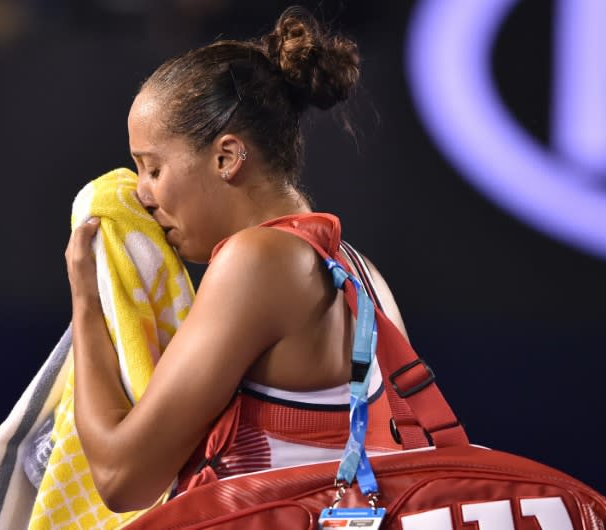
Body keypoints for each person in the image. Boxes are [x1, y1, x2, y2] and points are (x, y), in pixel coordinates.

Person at [64, 5, 409, 514]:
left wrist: (87, 303)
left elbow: (121, 478)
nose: (142, 194)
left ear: (226, 157)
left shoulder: (257, 261)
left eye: (153, 168)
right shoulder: (360, 269)